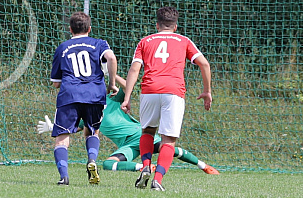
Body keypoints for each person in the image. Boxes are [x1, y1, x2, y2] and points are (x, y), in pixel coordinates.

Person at [37, 74, 219, 174]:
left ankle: (204, 166)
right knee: (108, 165)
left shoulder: (112, 100)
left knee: (171, 149)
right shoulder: (87, 113)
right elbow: (72, 129)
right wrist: (52, 127)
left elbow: (127, 87)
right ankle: (145, 167)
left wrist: (112, 75)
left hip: (140, 136)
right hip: (127, 146)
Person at [121, 6, 212, 191]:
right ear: (175, 26)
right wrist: (207, 91)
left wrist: (127, 97)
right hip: (173, 91)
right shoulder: (184, 41)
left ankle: (145, 166)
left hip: (149, 90)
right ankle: (158, 180)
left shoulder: (145, 41)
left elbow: (134, 69)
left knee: (147, 132)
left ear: (157, 24)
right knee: (168, 140)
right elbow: (204, 63)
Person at [49, 12, 118, 186]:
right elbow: (111, 57)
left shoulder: (62, 47)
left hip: (70, 95)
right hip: (94, 94)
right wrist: (112, 83)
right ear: (89, 28)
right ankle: (92, 160)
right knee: (92, 130)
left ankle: (64, 176)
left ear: (70, 29)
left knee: (62, 138)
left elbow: (56, 83)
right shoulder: (99, 44)